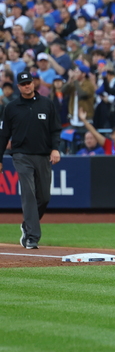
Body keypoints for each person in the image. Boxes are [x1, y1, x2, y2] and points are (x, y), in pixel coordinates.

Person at [0, 71, 62, 249]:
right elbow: (3, 135)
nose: (27, 85)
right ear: (18, 87)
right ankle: (32, 237)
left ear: (34, 83)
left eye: (29, 82)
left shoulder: (47, 104)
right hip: (21, 156)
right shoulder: (11, 107)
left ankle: (27, 226)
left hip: (43, 155)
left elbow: (55, 130)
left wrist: (55, 148)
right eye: (23, 83)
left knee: (44, 197)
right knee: (28, 193)